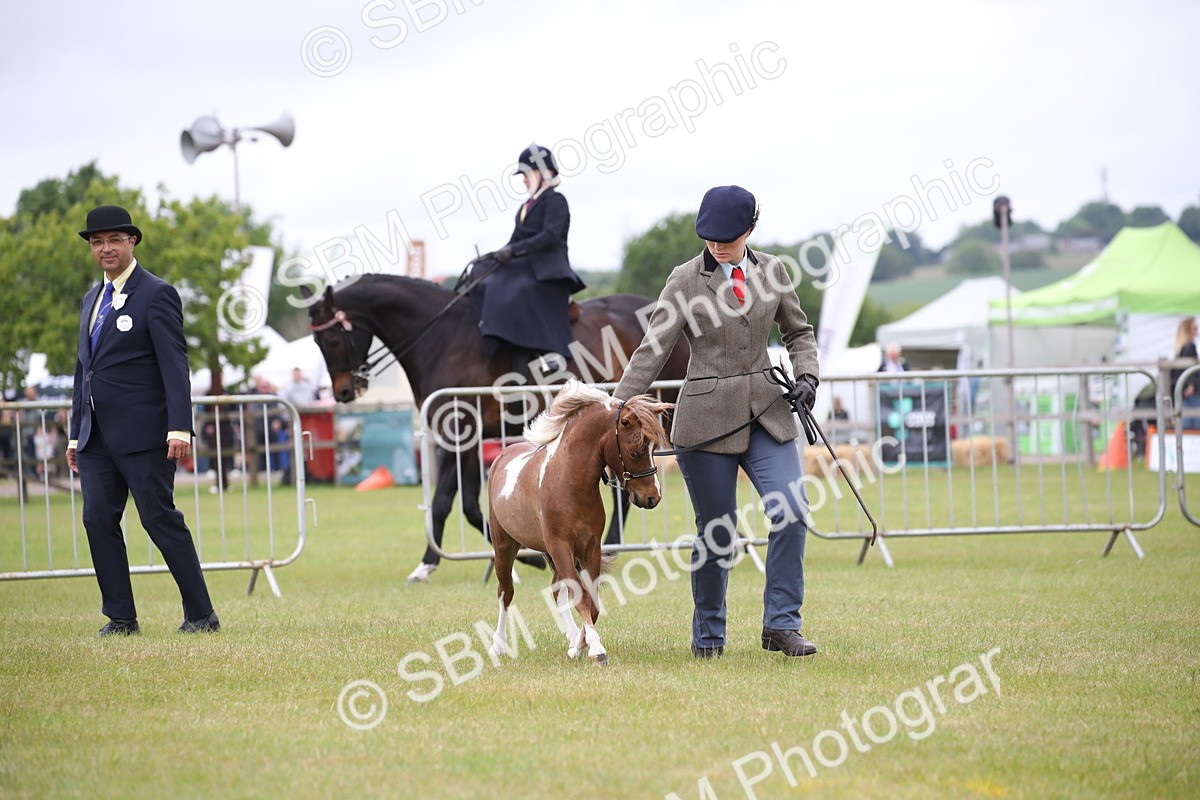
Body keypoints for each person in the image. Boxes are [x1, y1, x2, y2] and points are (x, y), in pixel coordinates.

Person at [612, 185, 819, 659]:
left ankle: (781, 625)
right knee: (717, 530)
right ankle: (708, 635)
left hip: (769, 411)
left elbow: (798, 331)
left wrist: (808, 375)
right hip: (704, 420)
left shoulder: (774, 270)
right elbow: (652, 350)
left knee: (791, 510)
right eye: (710, 237)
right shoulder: (684, 280)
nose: (718, 245)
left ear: (751, 229)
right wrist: (618, 406)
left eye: (728, 237)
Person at [66, 205, 219, 636]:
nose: (105, 248)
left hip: (146, 435)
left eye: (114, 240)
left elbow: (175, 365)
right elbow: (84, 370)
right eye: (98, 242)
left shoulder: (157, 293)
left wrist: (179, 427)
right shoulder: (90, 299)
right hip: (95, 438)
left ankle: (201, 614)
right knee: (97, 518)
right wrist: (77, 434)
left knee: (158, 518)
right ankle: (121, 618)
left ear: (131, 242)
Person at [471, 143, 587, 376]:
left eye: (526, 174)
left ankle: (549, 351)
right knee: (482, 273)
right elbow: (514, 241)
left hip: (548, 270)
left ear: (543, 173)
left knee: (511, 288)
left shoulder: (556, 201)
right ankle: (492, 333)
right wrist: (495, 255)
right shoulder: (526, 207)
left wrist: (513, 252)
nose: (523, 180)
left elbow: (550, 236)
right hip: (525, 266)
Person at [1172, 316, 1200, 430]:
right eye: (1195, 328)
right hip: (1191, 390)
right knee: (1194, 424)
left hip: (1183, 389)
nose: (1197, 330)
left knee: (1186, 422)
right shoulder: (1190, 346)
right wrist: (1191, 384)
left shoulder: (1181, 347)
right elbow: (1189, 369)